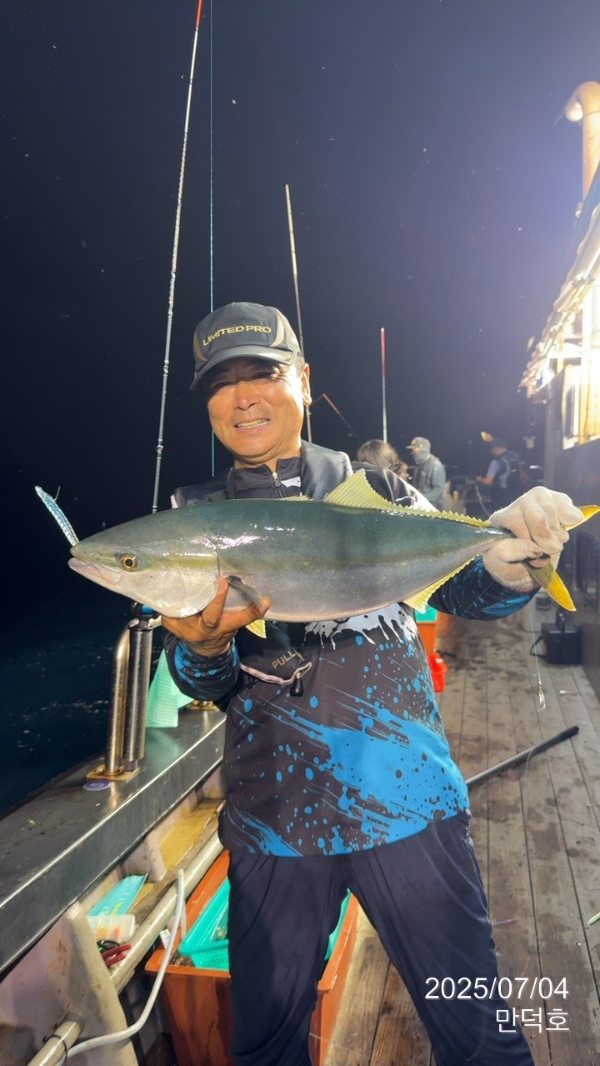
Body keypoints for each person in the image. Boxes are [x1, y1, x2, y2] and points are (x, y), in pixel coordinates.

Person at [162, 301, 581, 1066]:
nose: (243, 396)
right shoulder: (195, 522)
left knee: (479, 1037)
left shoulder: (379, 490)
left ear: (304, 380)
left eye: (263, 373)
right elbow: (203, 683)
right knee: (266, 1049)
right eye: (221, 382)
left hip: (407, 805)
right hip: (275, 822)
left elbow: (463, 591)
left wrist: (515, 563)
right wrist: (204, 646)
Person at [476, 438, 523, 509]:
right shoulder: (515, 455)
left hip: (503, 497)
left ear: (495, 448)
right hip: (518, 494)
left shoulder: (496, 462)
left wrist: (479, 479)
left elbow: (488, 481)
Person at [407, 436, 446, 508]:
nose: (412, 452)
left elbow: (438, 490)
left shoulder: (435, 465)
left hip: (432, 507)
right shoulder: (419, 465)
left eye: (414, 449)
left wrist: (422, 499)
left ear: (422, 450)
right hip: (420, 506)